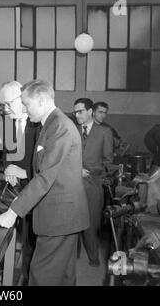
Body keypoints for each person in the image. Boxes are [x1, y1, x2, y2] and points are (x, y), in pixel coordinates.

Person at [0, 79, 89, 286]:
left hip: (59, 217)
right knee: (63, 277)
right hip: (62, 215)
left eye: (27, 104)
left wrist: (13, 212)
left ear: (41, 100)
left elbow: (45, 177)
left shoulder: (59, 126)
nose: (26, 110)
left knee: (41, 276)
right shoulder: (50, 124)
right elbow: (44, 168)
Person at [0, 80, 41, 285]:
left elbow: (47, 168)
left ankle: (27, 278)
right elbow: (7, 153)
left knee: (33, 242)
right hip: (15, 188)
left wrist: (23, 172)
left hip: (36, 190)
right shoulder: (7, 123)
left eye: (8, 104)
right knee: (21, 237)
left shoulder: (40, 124)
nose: (5, 110)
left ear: (22, 99)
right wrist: (8, 169)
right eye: (2, 105)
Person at [74, 98, 113, 267]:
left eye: (80, 111)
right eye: (75, 112)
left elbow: (108, 162)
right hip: (72, 183)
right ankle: (72, 256)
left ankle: (93, 256)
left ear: (90, 112)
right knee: (71, 221)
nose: (76, 115)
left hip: (93, 184)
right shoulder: (71, 130)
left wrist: (94, 173)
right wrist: (76, 170)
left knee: (92, 222)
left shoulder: (105, 132)